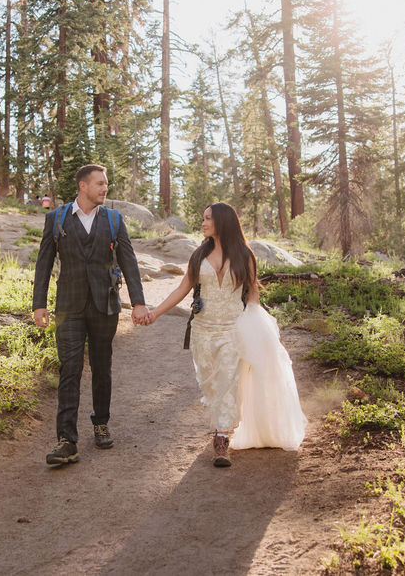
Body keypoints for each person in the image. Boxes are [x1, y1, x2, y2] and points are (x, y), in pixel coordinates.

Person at [146, 202, 307, 467]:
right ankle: (221, 424)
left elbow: (252, 294)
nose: (204, 222)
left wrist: (258, 329)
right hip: (203, 330)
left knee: (229, 381)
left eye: (208, 218)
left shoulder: (244, 255)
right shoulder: (198, 255)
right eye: (203, 218)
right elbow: (181, 289)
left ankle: (221, 438)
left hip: (234, 329)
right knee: (211, 384)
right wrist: (155, 312)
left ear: (222, 221)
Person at [32, 164, 150, 465]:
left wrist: (138, 302)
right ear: (82, 186)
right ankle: (67, 440)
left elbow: (129, 261)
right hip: (68, 307)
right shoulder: (55, 219)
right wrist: (39, 304)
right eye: (99, 183)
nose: (105, 188)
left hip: (105, 305)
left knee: (101, 366)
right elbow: (44, 264)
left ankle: (101, 424)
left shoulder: (113, 219)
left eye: (106, 183)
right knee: (69, 369)